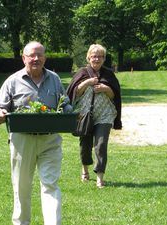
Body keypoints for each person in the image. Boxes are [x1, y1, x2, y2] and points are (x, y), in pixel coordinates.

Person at [0, 41, 72, 225]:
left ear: (45, 57)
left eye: (40, 55)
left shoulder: (54, 79)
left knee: (50, 185)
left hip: (50, 140)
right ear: (24, 58)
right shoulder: (12, 81)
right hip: (22, 142)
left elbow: (65, 102)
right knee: (22, 188)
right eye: (32, 55)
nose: (36, 58)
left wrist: (70, 110)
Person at [67, 44, 122, 188]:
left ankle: (100, 177)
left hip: (105, 115)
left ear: (104, 59)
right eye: (94, 56)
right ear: (88, 57)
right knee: (85, 145)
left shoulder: (109, 74)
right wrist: (87, 82)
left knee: (101, 144)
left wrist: (106, 88)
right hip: (85, 115)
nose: (96, 58)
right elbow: (75, 92)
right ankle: (85, 170)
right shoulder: (82, 72)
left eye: (100, 56)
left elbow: (114, 95)